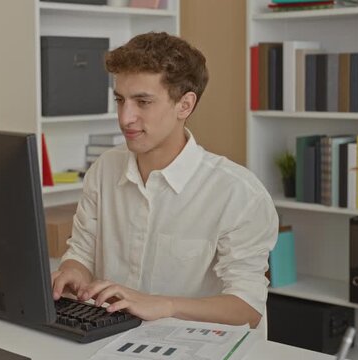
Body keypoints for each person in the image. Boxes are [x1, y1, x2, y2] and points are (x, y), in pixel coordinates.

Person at [51, 32, 278, 328]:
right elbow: (81, 252)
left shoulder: (238, 193)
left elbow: (247, 307)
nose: (125, 118)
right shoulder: (105, 169)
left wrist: (163, 304)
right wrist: (73, 272)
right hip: (111, 339)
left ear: (184, 105)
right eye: (120, 100)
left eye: (142, 102)